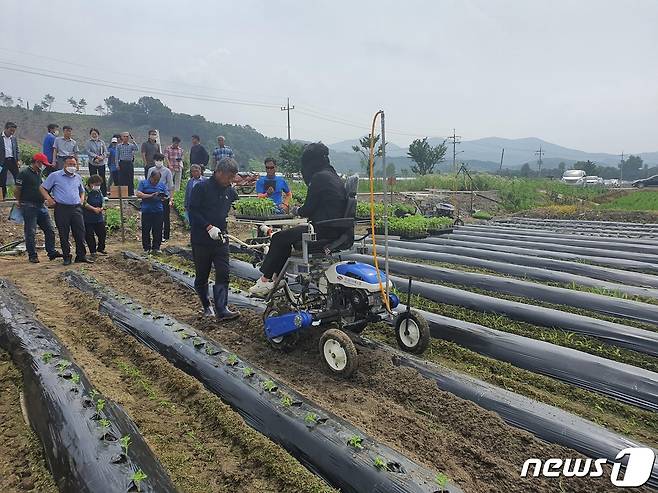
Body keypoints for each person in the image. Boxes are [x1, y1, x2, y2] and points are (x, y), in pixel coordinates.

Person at [249, 143, 347, 297]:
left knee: (279, 237)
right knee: (286, 238)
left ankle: (265, 279)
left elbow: (308, 209)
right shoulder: (333, 176)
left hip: (320, 230)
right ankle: (275, 278)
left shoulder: (319, 177)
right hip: (335, 229)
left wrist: (296, 210)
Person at [188, 157, 240, 321]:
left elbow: (239, 206)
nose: (231, 181)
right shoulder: (201, 188)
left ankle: (222, 308)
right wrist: (208, 226)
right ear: (218, 172)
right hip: (202, 239)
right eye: (229, 177)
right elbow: (193, 211)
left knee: (223, 272)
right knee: (202, 275)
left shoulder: (229, 191)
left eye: (233, 177)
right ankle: (206, 306)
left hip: (221, 239)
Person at [40, 156, 93, 265]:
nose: (72, 167)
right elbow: (42, 188)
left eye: (74, 164)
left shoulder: (78, 177)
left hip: (76, 208)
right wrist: (49, 198)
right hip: (62, 208)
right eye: (70, 164)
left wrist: (82, 199)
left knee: (80, 232)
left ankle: (81, 255)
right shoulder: (55, 176)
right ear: (64, 165)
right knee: (64, 233)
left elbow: (82, 191)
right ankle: (66, 256)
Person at [14, 153, 62, 263]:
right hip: (29, 205)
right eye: (42, 164)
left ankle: (51, 251)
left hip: (41, 205)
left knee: (50, 230)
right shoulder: (24, 173)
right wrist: (19, 200)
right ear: (37, 162)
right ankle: (32, 255)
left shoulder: (39, 173)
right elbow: (17, 189)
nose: (43, 166)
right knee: (30, 231)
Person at [136, 170, 168, 254]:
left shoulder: (161, 185)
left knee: (158, 229)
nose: (155, 182)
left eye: (157, 180)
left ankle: (156, 247)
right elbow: (138, 194)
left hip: (158, 210)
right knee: (146, 230)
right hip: (147, 210)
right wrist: (150, 195)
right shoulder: (143, 183)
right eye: (154, 180)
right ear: (151, 177)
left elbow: (166, 195)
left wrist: (164, 197)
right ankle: (146, 248)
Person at [146, 153, 174, 243]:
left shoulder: (167, 171)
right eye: (157, 160)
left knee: (165, 217)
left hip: (164, 197)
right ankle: (156, 235)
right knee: (155, 217)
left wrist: (171, 198)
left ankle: (166, 236)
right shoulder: (151, 170)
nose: (159, 162)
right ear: (154, 161)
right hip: (154, 196)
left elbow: (171, 185)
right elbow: (147, 182)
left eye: (161, 160)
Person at [83, 175, 107, 257]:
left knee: (102, 233)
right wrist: (93, 209)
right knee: (89, 235)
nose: (98, 186)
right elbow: (84, 203)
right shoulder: (85, 191)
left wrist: (102, 207)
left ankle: (101, 248)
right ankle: (93, 251)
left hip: (98, 217)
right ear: (90, 183)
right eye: (96, 184)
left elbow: (102, 200)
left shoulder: (99, 191)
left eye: (99, 184)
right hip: (87, 217)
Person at [86, 128, 108, 196]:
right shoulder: (88, 142)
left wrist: (101, 158)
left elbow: (105, 151)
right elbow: (88, 151)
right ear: (90, 135)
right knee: (93, 178)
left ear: (98, 134)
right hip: (92, 162)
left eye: (95, 134)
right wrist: (96, 157)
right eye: (92, 134)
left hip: (101, 163)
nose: (94, 135)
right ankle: (92, 194)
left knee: (102, 178)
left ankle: (104, 194)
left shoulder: (102, 142)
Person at [0, 122, 19, 200]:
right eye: (10, 130)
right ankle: (3, 197)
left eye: (13, 131)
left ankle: (18, 196)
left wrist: (18, 159)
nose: (12, 133)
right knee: (2, 179)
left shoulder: (13, 138)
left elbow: (16, 150)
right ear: (6, 128)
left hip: (13, 161)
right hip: (3, 161)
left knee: (18, 178)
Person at [117, 132, 139, 196]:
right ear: (122, 137)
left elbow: (137, 148)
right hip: (122, 163)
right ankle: (122, 193)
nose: (126, 138)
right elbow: (116, 156)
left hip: (129, 163)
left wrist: (133, 141)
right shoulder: (119, 146)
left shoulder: (131, 145)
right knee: (122, 179)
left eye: (127, 136)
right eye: (124, 136)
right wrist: (117, 165)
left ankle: (130, 193)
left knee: (130, 178)